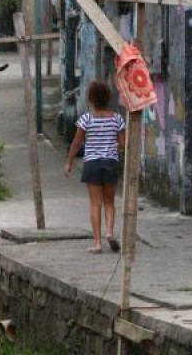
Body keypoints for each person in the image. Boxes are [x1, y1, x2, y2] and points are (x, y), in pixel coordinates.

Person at [64, 80, 126, 254]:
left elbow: (76, 143)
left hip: (92, 164)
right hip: (110, 163)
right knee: (109, 202)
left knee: (95, 203)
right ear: (108, 98)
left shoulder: (86, 119)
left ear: (91, 99)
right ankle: (109, 232)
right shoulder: (117, 119)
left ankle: (97, 243)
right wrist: (116, 146)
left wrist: (69, 162)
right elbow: (123, 145)